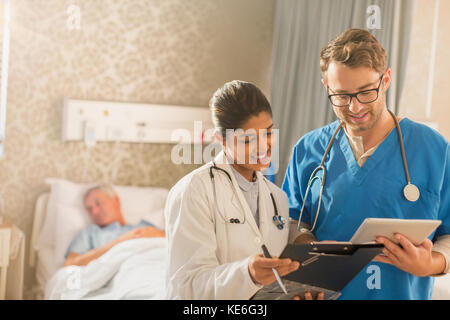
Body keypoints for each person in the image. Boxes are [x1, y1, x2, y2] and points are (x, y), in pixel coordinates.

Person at [282, 29, 450, 300]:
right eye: (341, 96)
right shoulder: (308, 150)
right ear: (326, 87)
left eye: (365, 92)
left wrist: (432, 264)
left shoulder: (433, 150)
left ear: (385, 80)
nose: (354, 107)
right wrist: (307, 248)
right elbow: (291, 225)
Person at [165, 80, 323, 300]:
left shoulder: (276, 197)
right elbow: (186, 288)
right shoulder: (194, 191)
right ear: (220, 140)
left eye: (268, 133)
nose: (263, 147)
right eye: (248, 139)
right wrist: (247, 273)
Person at [64, 184, 165, 266]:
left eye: (98, 203)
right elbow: (70, 263)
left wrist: (158, 234)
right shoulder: (91, 233)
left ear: (116, 200)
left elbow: (173, 241)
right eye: (90, 209)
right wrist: (122, 241)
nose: (94, 211)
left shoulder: (144, 226)